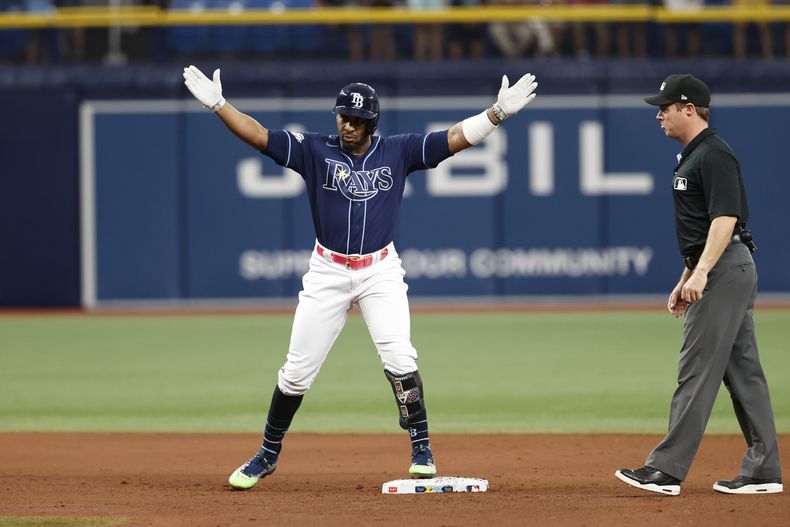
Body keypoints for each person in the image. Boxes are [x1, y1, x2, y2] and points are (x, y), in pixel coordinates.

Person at [182, 65, 538, 490]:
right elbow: (260, 136)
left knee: (400, 359)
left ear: (372, 122)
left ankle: (421, 447)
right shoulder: (315, 150)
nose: (347, 125)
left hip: (379, 270)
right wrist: (220, 106)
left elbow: (451, 140)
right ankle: (267, 455)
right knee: (295, 373)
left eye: (356, 119)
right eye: (342, 116)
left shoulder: (397, 151)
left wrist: (496, 113)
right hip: (328, 270)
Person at [615, 74, 783, 496]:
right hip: (722, 267)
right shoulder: (693, 156)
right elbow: (702, 229)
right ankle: (764, 470)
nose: (659, 115)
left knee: (696, 369)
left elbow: (725, 218)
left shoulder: (714, 154)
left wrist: (704, 272)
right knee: (744, 373)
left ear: (689, 109)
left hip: (725, 269)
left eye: (666, 107)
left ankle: (666, 470)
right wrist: (687, 274)